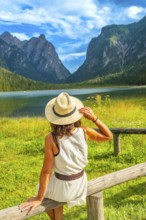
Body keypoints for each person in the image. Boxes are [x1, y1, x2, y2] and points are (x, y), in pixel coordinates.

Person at [19, 92, 113, 220]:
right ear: (74, 115)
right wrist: (94, 118)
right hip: (80, 184)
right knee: (54, 185)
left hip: (65, 187)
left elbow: (47, 171)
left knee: (42, 189)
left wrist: (39, 198)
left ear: (54, 118)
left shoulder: (51, 138)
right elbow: (109, 136)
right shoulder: (85, 131)